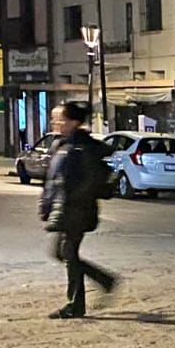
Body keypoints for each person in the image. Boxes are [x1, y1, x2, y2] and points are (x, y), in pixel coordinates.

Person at [40, 101, 117, 319]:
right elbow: (52, 180)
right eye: (55, 119)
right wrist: (46, 204)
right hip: (63, 208)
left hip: (77, 210)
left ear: (74, 122)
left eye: (60, 119)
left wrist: (71, 201)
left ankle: (76, 304)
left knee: (68, 254)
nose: (56, 123)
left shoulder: (84, 148)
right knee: (62, 253)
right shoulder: (60, 145)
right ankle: (103, 281)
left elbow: (88, 182)